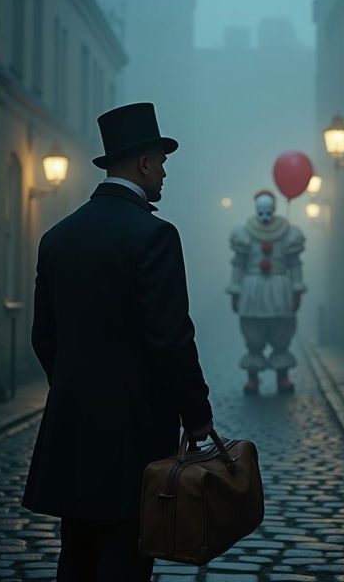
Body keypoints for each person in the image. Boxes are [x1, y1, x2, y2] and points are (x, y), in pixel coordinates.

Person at [22, 102, 213, 582]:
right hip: (134, 433)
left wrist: (74, 385)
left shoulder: (57, 236)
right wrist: (197, 414)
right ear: (144, 163)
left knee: (77, 553)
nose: (165, 173)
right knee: (127, 557)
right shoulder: (154, 235)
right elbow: (171, 338)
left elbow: (43, 335)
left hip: (73, 424)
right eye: (161, 161)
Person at [227, 190, 306, 396]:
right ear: (256, 211)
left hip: (280, 289)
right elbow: (238, 265)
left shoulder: (288, 233)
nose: (264, 218)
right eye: (261, 213)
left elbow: (295, 264)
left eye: (268, 212)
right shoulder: (245, 233)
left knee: (282, 332)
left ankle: (283, 377)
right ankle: (253, 378)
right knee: (253, 333)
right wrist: (235, 292)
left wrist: (297, 290)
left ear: (274, 210)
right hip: (253, 291)